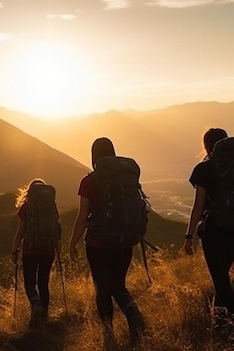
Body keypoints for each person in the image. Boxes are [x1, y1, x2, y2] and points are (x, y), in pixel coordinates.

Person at [69, 137, 145, 348]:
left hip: (98, 244)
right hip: (125, 241)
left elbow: (83, 218)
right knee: (118, 285)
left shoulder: (89, 181)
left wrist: (72, 243)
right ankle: (133, 312)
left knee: (103, 288)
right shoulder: (126, 178)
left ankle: (108, 334)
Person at [183, 128, 234, 347]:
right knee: (222, 277)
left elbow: (198, 206)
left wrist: (189, 236)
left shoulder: (204, 169)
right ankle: (221, 321)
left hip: (215, 231)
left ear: (207, 146)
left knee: (221, 282)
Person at [11, 178, 58, 327]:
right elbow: (56, 227)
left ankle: (36, 304)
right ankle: (44, 317)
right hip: (49, 250)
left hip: (30, 250)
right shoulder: (52, 207)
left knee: (30, 284)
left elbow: (19, 232)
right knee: (43, 282)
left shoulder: (26, 207)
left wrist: (14, 251)